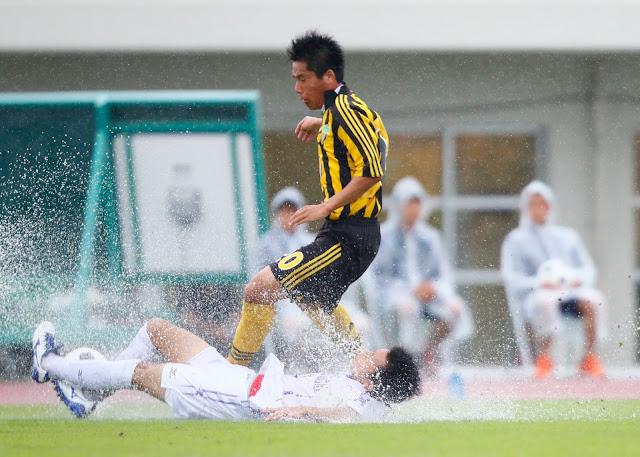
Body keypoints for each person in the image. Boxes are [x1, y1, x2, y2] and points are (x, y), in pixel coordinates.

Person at [227, 31, 389, 367]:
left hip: (348, 236)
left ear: (328, 77)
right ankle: (369, 370)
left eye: (303, 79)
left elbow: (372, 170)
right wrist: (324, 124)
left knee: (257, 290)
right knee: (309, 297)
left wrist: (325, 206)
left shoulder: (344, 111)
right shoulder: (343, 111)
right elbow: (376, 139)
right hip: (351, 233)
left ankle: (230, 376)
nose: (297, 88)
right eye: (295, 79)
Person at [30, 319, 420, 422]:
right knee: (157, 330)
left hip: (238, 398)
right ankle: (90, 393)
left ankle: (47, 364)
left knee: (143, 372)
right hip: (239, 379)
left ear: (374, 382)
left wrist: (302, 410)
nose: (366, 352)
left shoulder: (363, 401)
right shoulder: (361, 387)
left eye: (374, 356)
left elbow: (348, 414)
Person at [366, 177, 474, 374]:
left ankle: (428, 352)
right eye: (409, 204)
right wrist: (410, 290)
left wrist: (434, 288)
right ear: (398, 205)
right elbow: (380, 277)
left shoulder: (431, 238)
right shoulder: (384, 236)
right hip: (395, 296)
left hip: (428, 296)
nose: (413, 209)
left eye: (417, 204)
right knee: (408, 307)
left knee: (454, 308)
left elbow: (442, 273)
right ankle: (406, 359)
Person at [501, 180, 606, 378]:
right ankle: (544, 358)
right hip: (536, 296)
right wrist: (538, 282)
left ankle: (589, 357)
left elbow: (588, 269)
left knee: (594, 300)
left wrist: (575, 279)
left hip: (570, 293)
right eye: (533, 203)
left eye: (542, 203)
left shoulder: (567, 236)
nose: (538, 208)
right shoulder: (516, 240)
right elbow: (512, 278)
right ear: (526, 207)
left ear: (550, 206)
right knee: (547, 301)